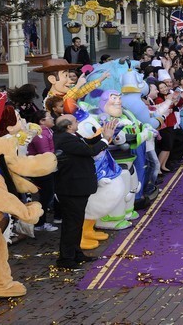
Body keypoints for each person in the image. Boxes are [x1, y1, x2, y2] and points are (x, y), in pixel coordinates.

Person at [53, 114, 117, 269]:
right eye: (75, 121)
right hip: (71, 188)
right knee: (71, 224)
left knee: (76, 222)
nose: (78, 122)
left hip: (76, 187)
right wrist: (105, 139)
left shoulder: (70, 136)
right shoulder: (65, 139)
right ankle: (66, 259)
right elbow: (91, 151)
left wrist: (103, 135)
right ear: (69, 126)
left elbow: (87, 144)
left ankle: (76, 253)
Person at [22, 109, 58, 232]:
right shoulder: (40, 134)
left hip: (45, 169)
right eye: (49, 117)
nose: (52, 118)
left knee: (46, 195)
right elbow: (45, 153)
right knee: (45, 196)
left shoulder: (46, 131)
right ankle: (39, 223)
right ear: (42, 121)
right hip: (42, 171)